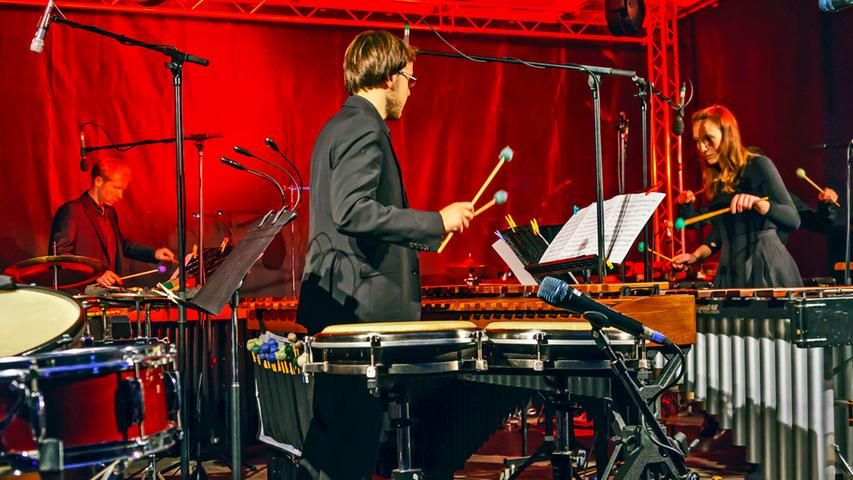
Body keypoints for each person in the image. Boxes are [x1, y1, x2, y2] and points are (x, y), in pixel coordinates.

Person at [294, 30, 474, 479]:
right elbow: (352, 211)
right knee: (350, 449)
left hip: (341, 304)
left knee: (332, 447)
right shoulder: (364, 128)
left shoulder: (336, 126)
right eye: (411, 80)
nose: (411, 91)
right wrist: (436, 221)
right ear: (390, 77)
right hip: (361, 313)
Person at [671, 105, 803, 288]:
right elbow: (718, 232)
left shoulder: (758, 165)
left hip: (763, 263)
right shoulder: (717, 180)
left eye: (708, 139)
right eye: (697, 141)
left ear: (728, 135)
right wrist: (696, 256)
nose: (702, 147)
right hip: (731, 269)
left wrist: (759, 204)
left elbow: (793, 219)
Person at [49, 158, 175, 287]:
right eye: (116, 187)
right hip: (82, 293)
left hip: (107, 293)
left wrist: (154, 253)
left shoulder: (109, 212)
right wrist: (95, 273)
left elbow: (120, 245)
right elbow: (61, 256)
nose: (120, 195)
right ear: (98, 181)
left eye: (122, 189)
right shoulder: (72, 211)